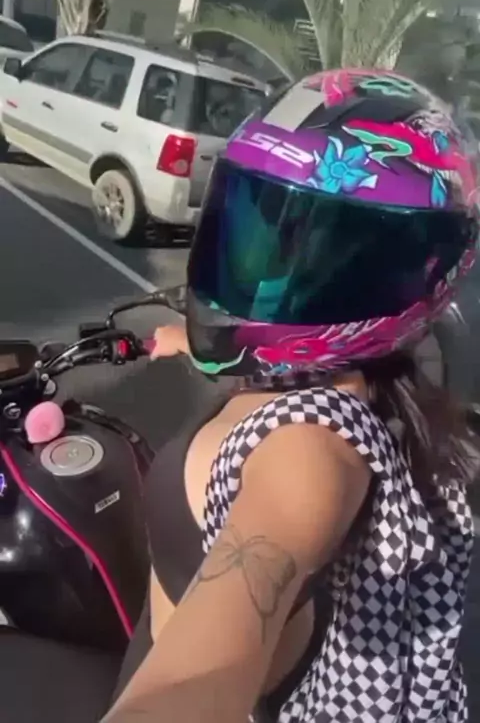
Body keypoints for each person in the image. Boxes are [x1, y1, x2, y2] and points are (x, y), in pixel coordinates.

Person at [0, 68, 477, 723]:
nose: (265, 274)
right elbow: (259, 338)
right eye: (255, 233)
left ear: (408, 273)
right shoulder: (353, 380)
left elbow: (194, 684)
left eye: (313, 260)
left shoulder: (311, 454)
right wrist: (180, 341)